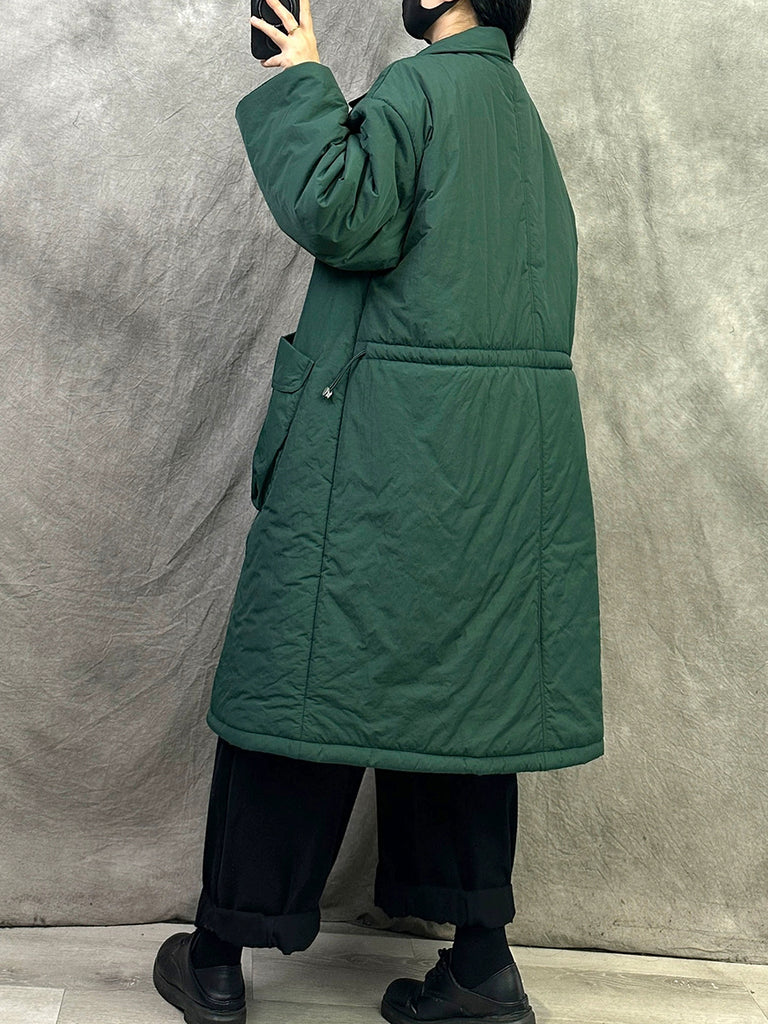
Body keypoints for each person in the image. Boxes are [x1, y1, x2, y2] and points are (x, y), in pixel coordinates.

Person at [153, 0, 604, 1021]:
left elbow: (343, 215)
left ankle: (218, 956)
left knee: (301, 682)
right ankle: (481, 964)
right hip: (496, 474)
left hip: (380, 455)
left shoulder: (419, 91)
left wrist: (302, 81)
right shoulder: (519, 117)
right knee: (460, 704)